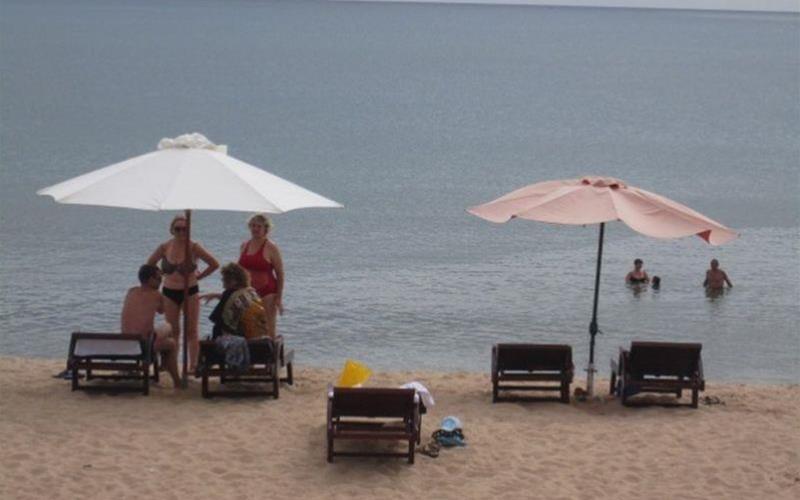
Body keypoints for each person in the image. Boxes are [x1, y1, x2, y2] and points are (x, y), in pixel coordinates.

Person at [147, 214, 219, 372]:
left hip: (190, 291)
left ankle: (193, 365)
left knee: (191, 331)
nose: (181, 232)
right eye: (178, 229)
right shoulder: (164, 247)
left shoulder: (194, 247)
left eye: (184, 229)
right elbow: (149, 264)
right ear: (172, 230)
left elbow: (214, 264)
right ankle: (172, 365)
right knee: (173, 331)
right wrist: (160, 275)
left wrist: (199, 276)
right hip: (169, 291)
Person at [201, 263, 268, 372]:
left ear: (233, 281)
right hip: (256, 344)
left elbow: (217, 320)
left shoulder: (229, 294)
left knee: (212, 335)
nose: (222, 283)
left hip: (233, 341)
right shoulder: (251, 293)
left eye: (224, 280)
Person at [121, 265, 180, 387]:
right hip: (143, 345)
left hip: (127, 342)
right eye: (158, 278)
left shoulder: (131, 291)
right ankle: (176, 380)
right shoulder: (156, 295)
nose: (161, 281)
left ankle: (165, 364)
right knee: (172, 342)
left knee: (168, 328)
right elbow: (162, 310)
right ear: (150, 279)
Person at [238, 214, 284, 338]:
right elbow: (239, 270)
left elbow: (280, 273)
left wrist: (279, 297)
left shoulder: (271, 247)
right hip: (248, 292)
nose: (255, 229)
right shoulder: (244, 245)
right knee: (248, 327)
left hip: (267, 291)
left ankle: (271, 349)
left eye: (259, 226)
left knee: (268, 328)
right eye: (253, 226)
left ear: (265, 228)